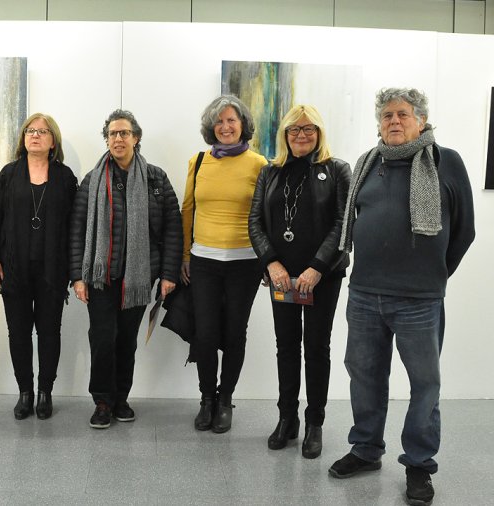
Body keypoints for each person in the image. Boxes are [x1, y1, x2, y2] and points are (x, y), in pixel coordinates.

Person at [328, 88, 475, 506]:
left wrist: (434, 274)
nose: (394, 121)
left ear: (422, 120)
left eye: (403, 114)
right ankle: (366, 449)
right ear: (378, 122)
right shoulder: (367, 163)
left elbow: (464, 230)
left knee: (424, 386)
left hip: (420, 300)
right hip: (365, 294)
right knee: (364, 376)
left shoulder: (446, 162)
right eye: (387, 115)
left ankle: (419, 464)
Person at [248, 105, 351, 457]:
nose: (301, 135)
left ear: (319, 132)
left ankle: (314, 423)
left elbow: (343, 223)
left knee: (317, 348)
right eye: (294, 129)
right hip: (283, 278)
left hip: (322, 277)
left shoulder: (337, 170)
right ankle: (287, 419)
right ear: (284, 134)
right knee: (287, 346)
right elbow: (256, 223)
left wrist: (317, 268)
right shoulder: (269, 172)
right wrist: (272, 263)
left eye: (308, 129)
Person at [69, 109, 182, 429]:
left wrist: (169, 274)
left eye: (124, 133)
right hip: (100, 278)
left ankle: (121, 398)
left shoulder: (155, 178)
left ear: (136, 138)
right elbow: (77, 230)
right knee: (102, 339)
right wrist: (78, 276)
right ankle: (102, 401)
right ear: (106, 139)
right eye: (112, 134)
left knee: (126, 341)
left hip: (139, 276)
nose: (118, 139)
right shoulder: (93, 180)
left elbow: (173, 227)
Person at [182, 95, 268, 434]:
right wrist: (186, 256)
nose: (226, 126)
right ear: (211, 127)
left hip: (244, 263)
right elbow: (188, 209)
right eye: (219, 121)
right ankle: (206, 398)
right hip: (203, 261)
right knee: (204, 334)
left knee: (234, 332)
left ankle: (225, 399)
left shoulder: (259, 163)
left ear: (243, 125)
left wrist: (267, 259)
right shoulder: (199, 161)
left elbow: (267, 215)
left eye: (232, 120)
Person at [0, 113, 77, 420]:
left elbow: (75, 227)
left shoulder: (65, 178)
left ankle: (44, 392)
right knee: (19, 333)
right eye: (30, 131)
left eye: (43, 131)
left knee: (50, 332)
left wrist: (75, 271)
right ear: (23, 138)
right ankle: (25, 392)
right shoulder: (9, 175)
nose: (35, 135)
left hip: (53, 270)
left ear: (53, 141)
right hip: (15, 269)